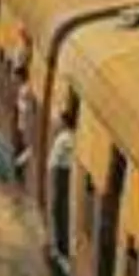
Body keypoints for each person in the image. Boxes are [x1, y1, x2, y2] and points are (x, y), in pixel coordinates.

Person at [47, 109, 77, 257]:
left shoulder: (65, 138)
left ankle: (61, 246)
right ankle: (61, 245)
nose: (56, 123)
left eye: (59, 121)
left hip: (61, 174)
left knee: (58, 209)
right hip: (63, 173)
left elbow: (55, 160)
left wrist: (52, 175)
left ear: (64, 122)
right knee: (59, 209)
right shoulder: (69, 137)